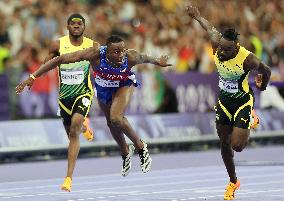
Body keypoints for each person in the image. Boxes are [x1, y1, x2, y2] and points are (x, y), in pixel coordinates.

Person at [16, 34, 171, 189]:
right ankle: (125, 153)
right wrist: (33, 76)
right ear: (106, 51)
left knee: (116, 118)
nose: (120, 55)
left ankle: (140, 147)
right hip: (103, 86)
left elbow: (145, 57)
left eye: (122, 50)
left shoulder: (130, 57)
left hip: (123, 84)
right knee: (111, 123)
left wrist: (159, 61)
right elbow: (60, 59)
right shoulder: (95, 54)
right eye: (116, 51)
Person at [186, 5, 271, 200]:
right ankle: (233, 182)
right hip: (224, 102)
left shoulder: (247, 59)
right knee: (224, 144)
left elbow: (266, 70)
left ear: (237, 47)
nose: (221, 53)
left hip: (242, 102)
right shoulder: (217, 44)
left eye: (226, 50)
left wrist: (262, 85)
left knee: (237, 146)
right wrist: (197, 16)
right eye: (220, 49)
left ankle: (251, 117)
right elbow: (209, 27)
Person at [16, 13, 97, 192]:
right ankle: (85, 128)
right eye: (73, 24)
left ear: (84, 27)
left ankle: (68, 178)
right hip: (64, 97)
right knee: (73, 133)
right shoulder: (57, 44)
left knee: (75, 126)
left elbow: (102, 65)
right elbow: (49, 62)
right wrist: (34, 76)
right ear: (67, 27)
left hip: (83, 93)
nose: (76, 26)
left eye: (80, 23)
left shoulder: (93, 45)